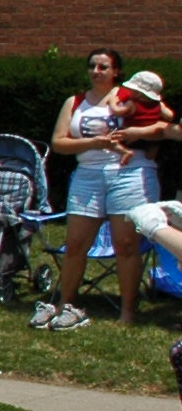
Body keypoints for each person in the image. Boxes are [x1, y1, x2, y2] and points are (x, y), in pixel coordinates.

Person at [42, 49, 165, 331]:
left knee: (126, 245)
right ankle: (65, 305)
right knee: (75, 244)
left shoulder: (132, 96)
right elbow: (59, 142)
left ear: (116, 71)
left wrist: (141, 141)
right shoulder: (75, 102)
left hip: (130, 174)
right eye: (92, 66)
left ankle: (128, 311)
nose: (96, 71)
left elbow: (160, 126)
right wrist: (94, 143)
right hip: (87, 175)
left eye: (103, 67)